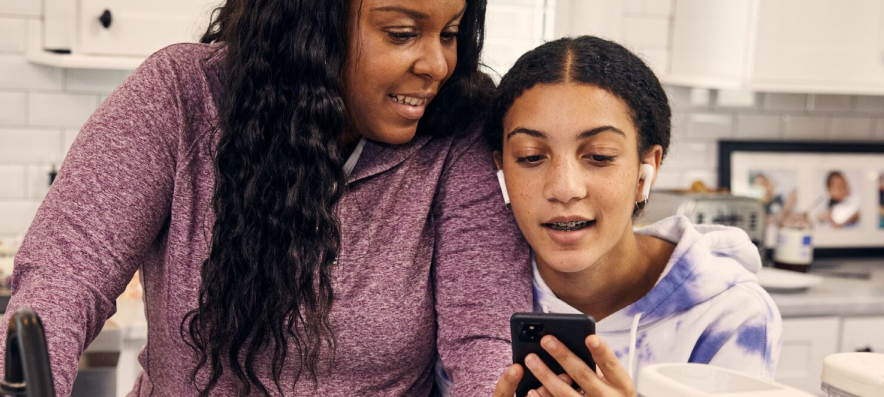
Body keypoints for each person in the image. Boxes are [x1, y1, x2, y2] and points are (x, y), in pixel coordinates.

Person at [0, 0, 532, 396]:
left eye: (451, 33)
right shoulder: (181, 97)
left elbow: (485, 339)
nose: (438, 65)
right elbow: (66, 276)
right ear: (312, 26)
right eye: (401, 33)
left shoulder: (455, 137)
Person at [487, 37, 781, 397]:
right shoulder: (475, 297)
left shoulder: (728, 313)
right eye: (531, 156)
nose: (564, 188)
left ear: (648, 168)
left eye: (599, 155)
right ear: (501, 168)